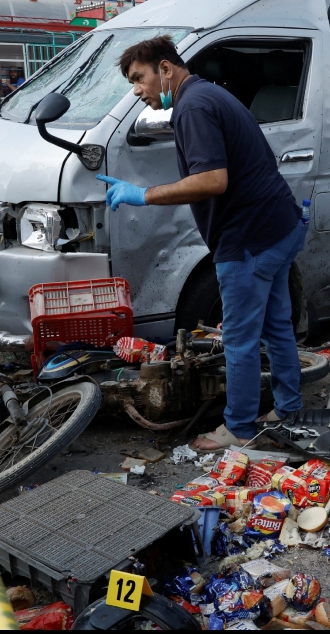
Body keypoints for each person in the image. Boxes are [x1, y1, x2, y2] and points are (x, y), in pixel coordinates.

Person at [99, 36, 305, 449]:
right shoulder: (211, 95)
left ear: (166, 69)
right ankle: (289, 408)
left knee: (240, 340)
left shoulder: (192, 106)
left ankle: (241, 428)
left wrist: (142, 194)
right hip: (280, 226)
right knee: (277, 326)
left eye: (139, 79)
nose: (137, 91)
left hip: (248, 240)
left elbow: (213, 180)